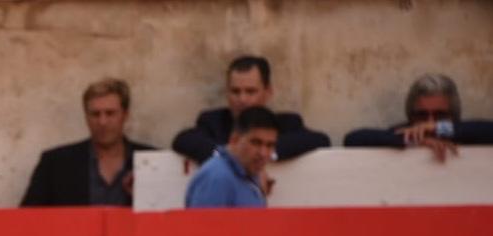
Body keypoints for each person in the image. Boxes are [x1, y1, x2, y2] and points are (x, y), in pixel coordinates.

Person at [21, 78, 154, 207]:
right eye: (95, 114)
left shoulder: (154, 161)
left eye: (110, 113)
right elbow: (26, 221)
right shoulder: (55, 164)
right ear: (86, 116)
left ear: (125, 115)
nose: (102, 122)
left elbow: (170, 218)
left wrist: (144, 198)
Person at [172, 56, 329, 164]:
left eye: (250, 91)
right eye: (235, 91)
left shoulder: (287, 123)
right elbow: (183, 139)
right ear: (227, 92)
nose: (242, 99)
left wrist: (262, 155)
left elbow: (320, 139)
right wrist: (229, 155)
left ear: (268, 92)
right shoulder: (213, 121)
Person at [343, 73, 493, 161]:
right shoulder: (406, 133)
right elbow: (353, 139)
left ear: (453, 115)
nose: (429, 122)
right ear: (411, 115)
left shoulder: (465, 132)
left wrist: (440, 129)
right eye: (422, 115)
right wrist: (414, 140)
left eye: (440, 115)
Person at [185, 106, 279, 208]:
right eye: (256, 143)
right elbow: (202, 224)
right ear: (234, 139)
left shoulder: (249, 173)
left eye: (270, 145)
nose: (263, 153)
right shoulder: (217, 177)